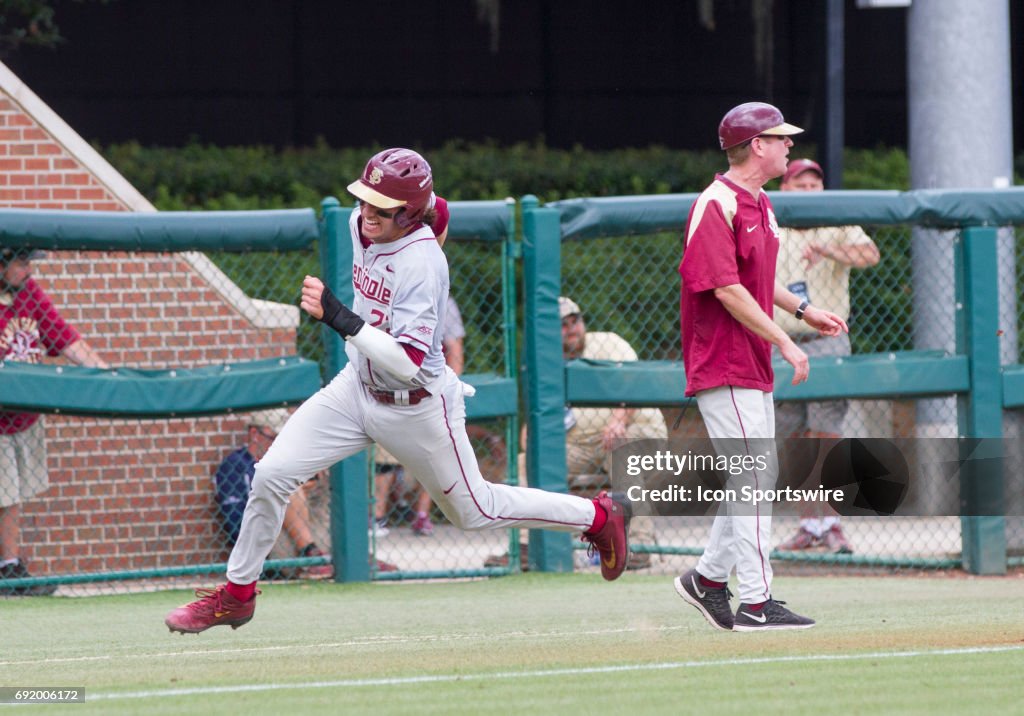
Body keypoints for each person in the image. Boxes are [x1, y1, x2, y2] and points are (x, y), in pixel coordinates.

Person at [165, 148, 630, 633]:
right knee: (271, 475)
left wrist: (338, 316)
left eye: (381, 206)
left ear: (408, 214)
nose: (366, 213)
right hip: (355, 389)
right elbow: (439, 208)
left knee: (477, 511)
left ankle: (597, 517)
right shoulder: (362, 221)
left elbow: (408, 365)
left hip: (418, 407)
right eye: (364, 198)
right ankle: (237, 596)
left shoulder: (423, 263)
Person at [673, 103, 847, 632]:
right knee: (752, 478)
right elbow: (725, 288)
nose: (790, 146)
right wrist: (787, 343)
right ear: (756, 146)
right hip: (722, 362)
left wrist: (802, 311)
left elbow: (754, 279)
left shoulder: (761, 202)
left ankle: (705, 579)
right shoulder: (717, 202)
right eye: (781, 138)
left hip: (750, 361)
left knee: (753, 478)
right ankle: (754, 601)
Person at [486, 296, 667, 571]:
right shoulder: (545, 366)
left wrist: (618, 421)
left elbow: (634, 384)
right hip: (584, 446)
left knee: (622, 448)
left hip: (637, 431)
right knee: (528, 460)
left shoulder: (607, 342)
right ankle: (526, 547)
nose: (572, 328)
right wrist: (535, 441)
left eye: (575, 321)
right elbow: (530, 432)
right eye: (562, 325)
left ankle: (638, 545)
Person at [772, 158, 880, 555]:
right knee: (794, 437)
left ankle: (833, 524)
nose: (810, 191)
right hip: (780, 339)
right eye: (801, 184)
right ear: (784, 188)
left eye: (815, 184)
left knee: (827, 435)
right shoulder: (769, 222)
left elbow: (871, 256)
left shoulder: (837, 220)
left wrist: (829, 249)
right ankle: (808, 526)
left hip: (828, 338)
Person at [0, 247, 110, 596]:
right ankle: (8, 567)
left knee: (14, 495)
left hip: (26, 416)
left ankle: (9, 565)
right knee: (6, 495)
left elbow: (65, 338)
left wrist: (108, 374)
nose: (28, 270)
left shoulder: (30, 293)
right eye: (21, 262)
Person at [214, 409, 333, 578]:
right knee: (283, 483)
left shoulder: (290, 460)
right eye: (276, 438)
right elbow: (236, 526)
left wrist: (309, 489)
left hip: (311, 531)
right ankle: (310, 554)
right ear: (255, 434)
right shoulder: (235, 466)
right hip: (270, 540)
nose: (282, 444)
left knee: (329, 474)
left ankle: (354, 552)